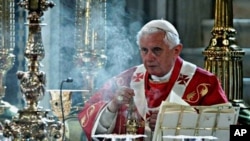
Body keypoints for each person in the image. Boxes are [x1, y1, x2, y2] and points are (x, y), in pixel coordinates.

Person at [78, 19, 228, 141]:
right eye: (144, 50)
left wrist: (179, 123)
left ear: (176, 50)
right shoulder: (124, 80)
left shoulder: (203, 83)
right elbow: (86, 117)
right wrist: (112, 106)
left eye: (156, 50)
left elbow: (234, 132)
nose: (149, 58)